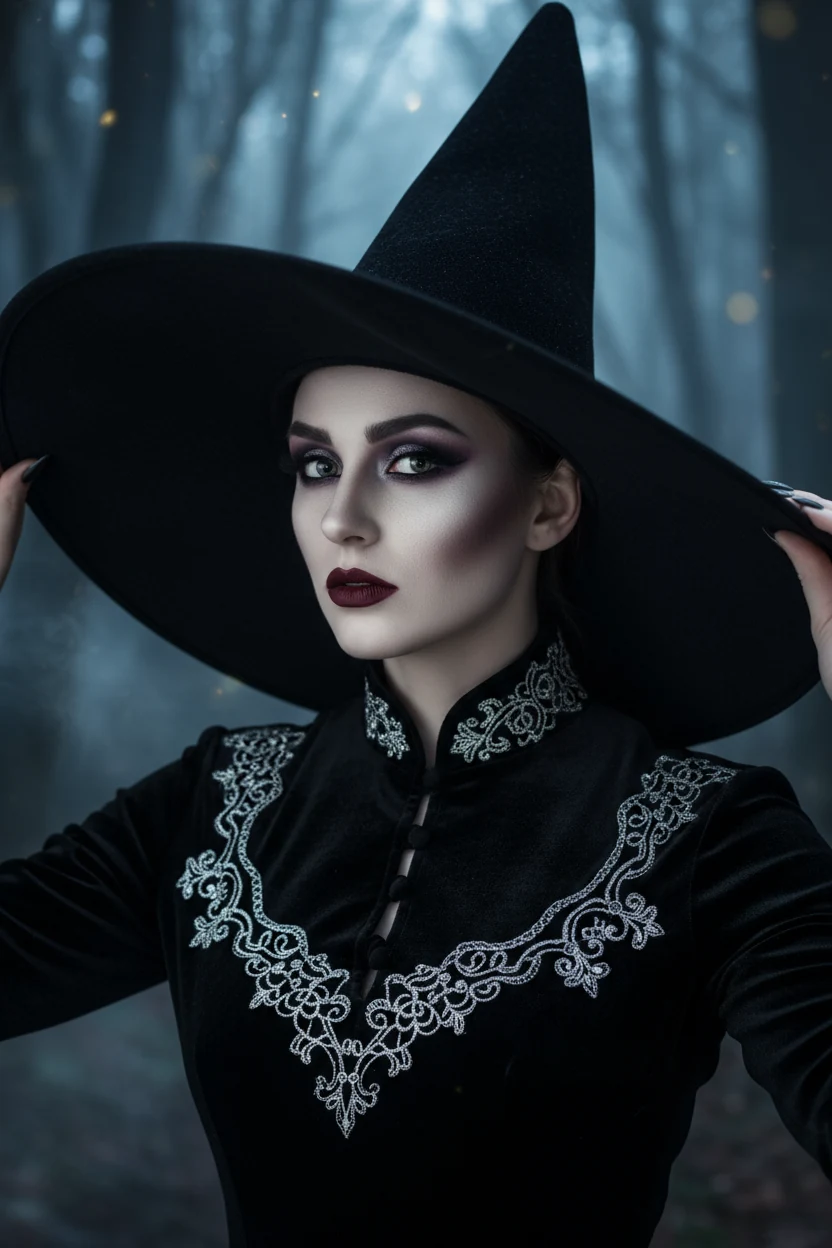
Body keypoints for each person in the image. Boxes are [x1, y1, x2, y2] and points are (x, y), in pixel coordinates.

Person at [0, 5, 830, 1245]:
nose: (339, 521)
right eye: (310, 463)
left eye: (414, 462)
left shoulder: (707, 838)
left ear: (548, 503)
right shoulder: (218, 805)